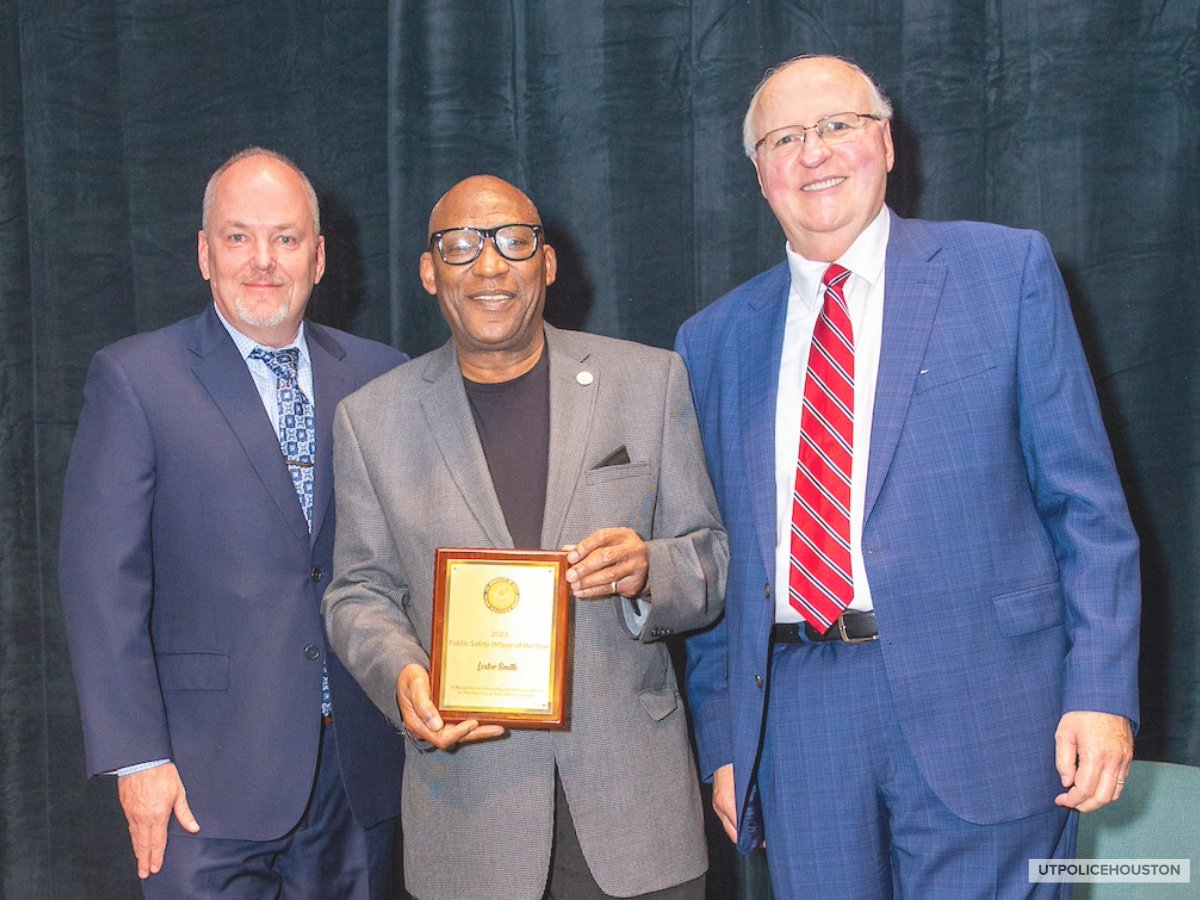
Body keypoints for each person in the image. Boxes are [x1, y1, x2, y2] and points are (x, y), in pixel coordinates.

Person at [676, 55, 1141, 899]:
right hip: (800, 719)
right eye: (785, 138)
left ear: (886, 143)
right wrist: (725, 739)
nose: (813, 153)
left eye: (837, 126)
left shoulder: (1006, 275)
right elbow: (713, 561)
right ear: (760, 174)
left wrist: (1101, 692)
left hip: (992, 704)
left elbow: (1089, 512)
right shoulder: (711, 342)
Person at [322, 174, 727, 900]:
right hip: (470, 817)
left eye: (513, 241)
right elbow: (358, 592)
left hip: (635, 814)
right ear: (427, 271)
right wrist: (402, 677)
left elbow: (711, 558)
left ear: (547, 261)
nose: (488, 266)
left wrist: (648, 570)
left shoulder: (649, 381)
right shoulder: (371, 420)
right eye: (460, 245)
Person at [58, 147, 408, 899]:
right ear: (204, 253)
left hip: (357, 772)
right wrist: (136, 758)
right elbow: (100, 584)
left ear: (317, 258)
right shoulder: (136, 379)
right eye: (238, 237)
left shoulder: (382, 378)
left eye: (284, 239)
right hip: (200, 783)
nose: (263, 261)